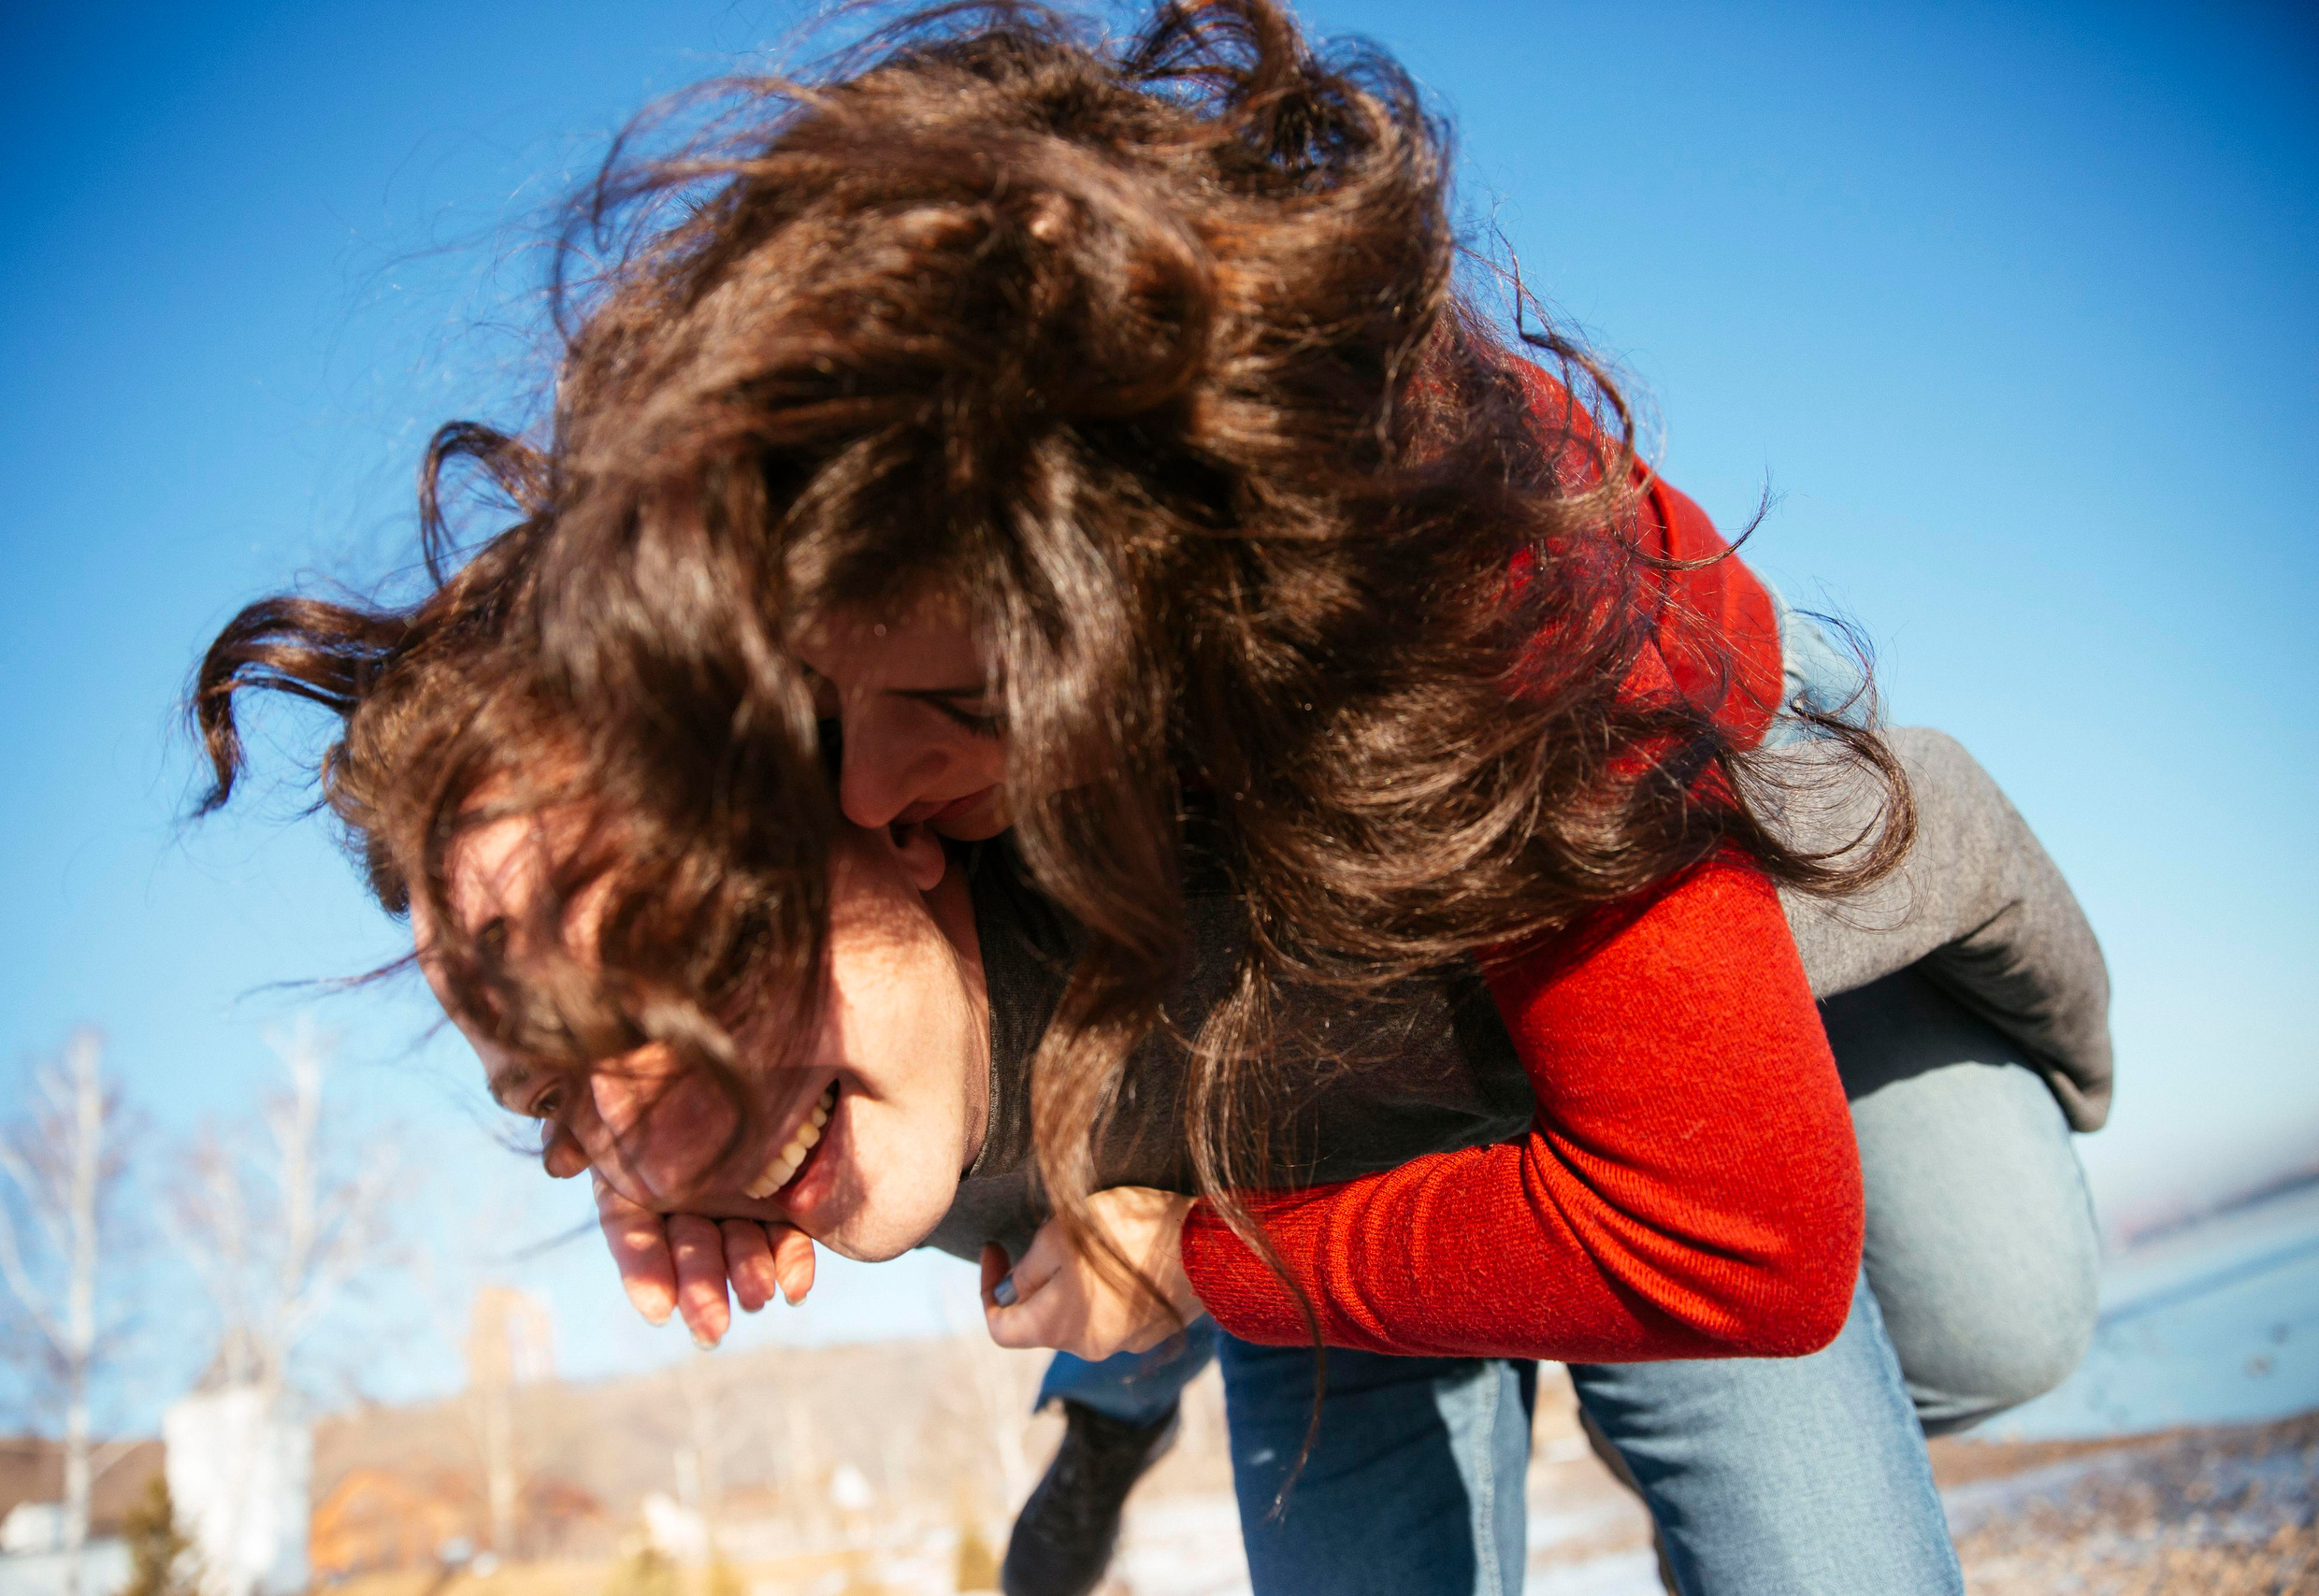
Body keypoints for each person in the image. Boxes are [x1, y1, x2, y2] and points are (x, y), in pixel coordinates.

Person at [188, 2, 2109, 1589]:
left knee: (1971, 1310)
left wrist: (1199, 1257)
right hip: (1292, 1103)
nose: (877, 790)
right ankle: (1399, 1286)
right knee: (1194, 1155)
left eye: (939, 708)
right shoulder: (853, 768)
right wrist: (641, 1109)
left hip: (1594, 857)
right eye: (824, 736)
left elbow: (1724, 1238)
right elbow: (543, 711)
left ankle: (1549, 1243)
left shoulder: (1470, 617)